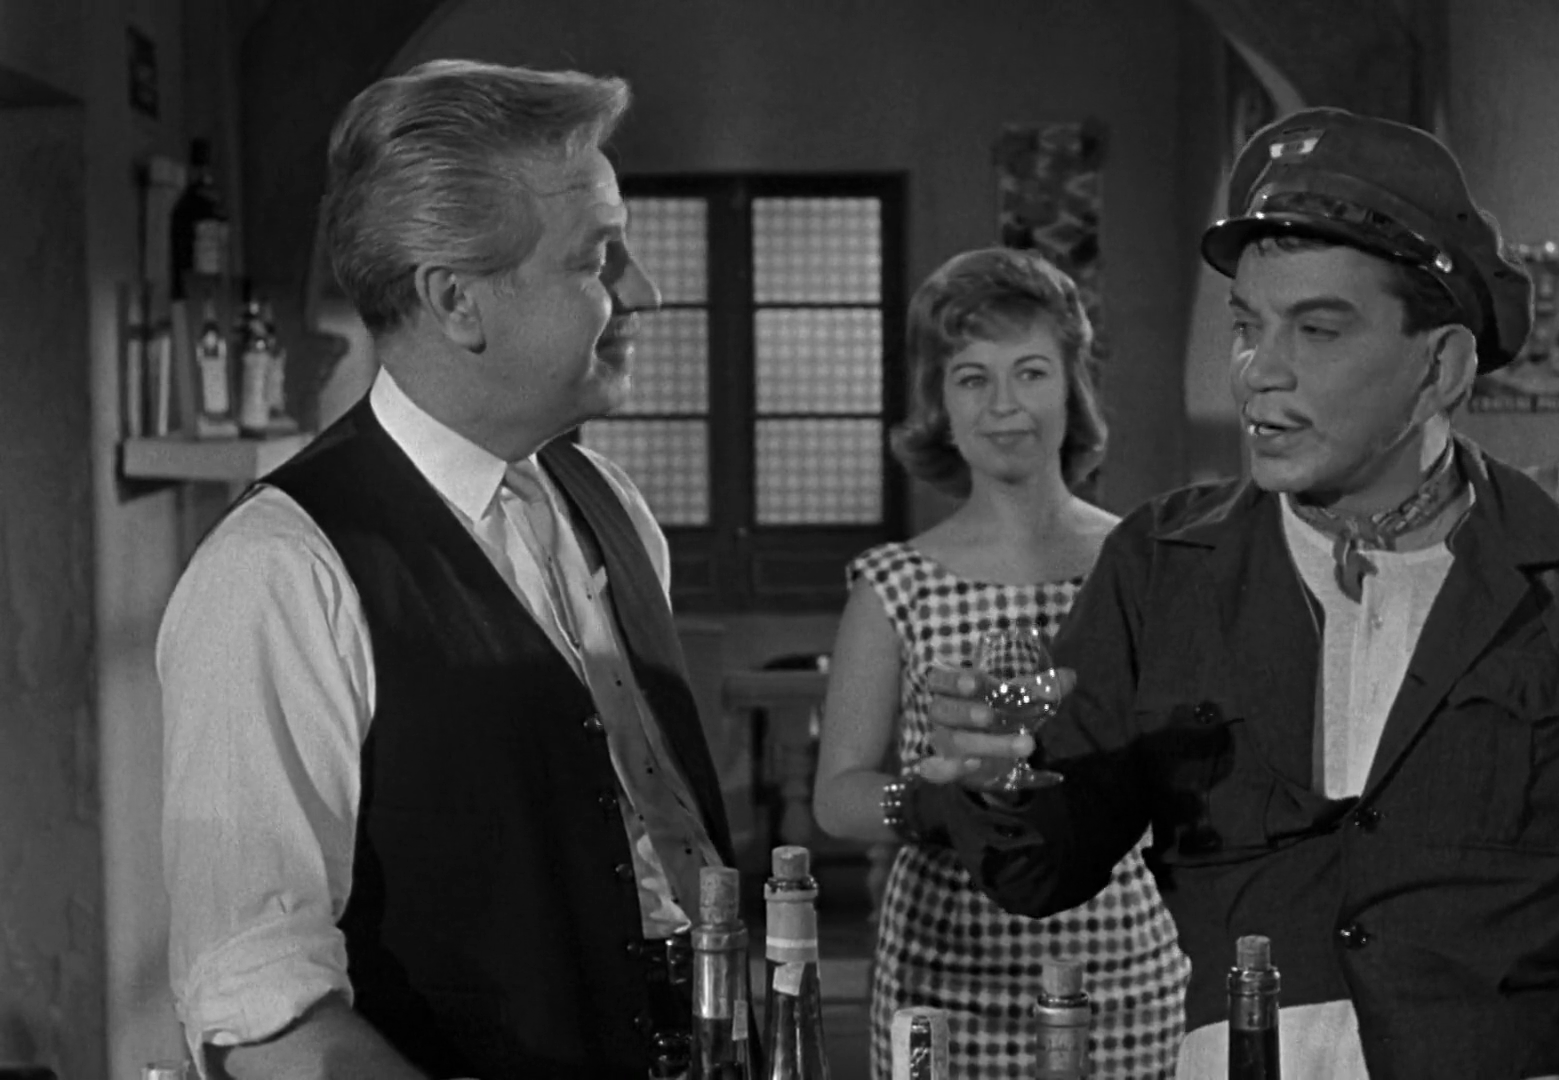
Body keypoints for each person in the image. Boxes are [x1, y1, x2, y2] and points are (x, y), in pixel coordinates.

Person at [898, 109, 1559, 1078]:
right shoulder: (1162, 566)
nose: (1258, 371)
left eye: (1316, 330)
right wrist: (999, 781)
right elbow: (1044, 872)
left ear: (1439, 366)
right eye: (1246, 326)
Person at [157, 59, 735, 1079]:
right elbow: (267, 1015)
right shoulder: (279, 575)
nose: (643, 293)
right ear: (456, 300)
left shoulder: (610, 505)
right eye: (597, 259)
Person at [811, 247, 1189, 1079]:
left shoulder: (1141, 560)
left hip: (1123, 967)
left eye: (1030, 372)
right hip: (943, 972)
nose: (1004, 404)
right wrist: (935, 804)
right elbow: (836, 796)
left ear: (1071, 389)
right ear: (939, 403)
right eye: (972, 378)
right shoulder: (894, 583)